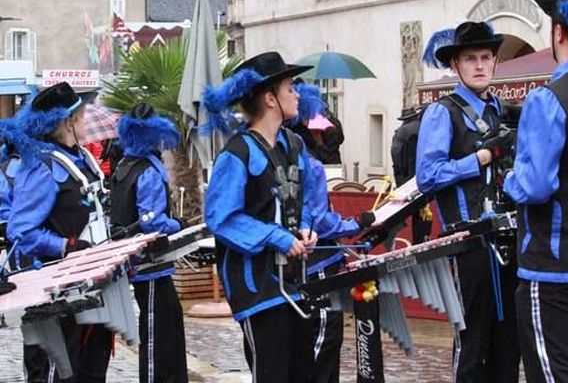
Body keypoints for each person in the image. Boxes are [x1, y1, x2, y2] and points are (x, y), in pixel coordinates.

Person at [503, 0, 568, 381]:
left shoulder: (549, 98)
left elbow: (535, 185)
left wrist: (509, 178)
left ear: (558, 31)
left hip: (552, 268)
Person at [203, 51, 317, 383]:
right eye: (290, 87)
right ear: (270, 98)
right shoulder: (237, 153)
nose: (298, 94)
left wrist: (306, 227)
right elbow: (220, 218)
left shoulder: (294, 144)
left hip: (296, 281)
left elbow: (305, 196)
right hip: (258, 288)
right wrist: (277, 237)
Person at [416, 22, 520, 382]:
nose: (479, 65)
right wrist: (478, 159)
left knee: (509, 341)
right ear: (456, 66)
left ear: (494, 62)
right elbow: (427, 176)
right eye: (470, 58)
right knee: (472, 340)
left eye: (486, 58)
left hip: (506, 238)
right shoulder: (441, 112)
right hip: (468, 244)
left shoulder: (501, 111)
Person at [6, 82, 112, 382]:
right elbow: (21, 231)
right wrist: (65, 245)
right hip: (57, 292)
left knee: (90, 371)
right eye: (81, 115)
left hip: (90, 285)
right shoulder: (41, 167)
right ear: (68, 121)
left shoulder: (82, 159)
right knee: (59, 372)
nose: (85, 120)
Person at [289, 80, 375, 383]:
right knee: (324, 343)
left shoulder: (280, 157)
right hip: (317, 266)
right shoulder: (308, 164)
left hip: (291, 268)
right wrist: (356, 224)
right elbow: (319, 220)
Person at [110, 103, 188, 383]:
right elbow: (151, 220)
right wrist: (178, 224)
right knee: (156, 333)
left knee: (166, 325)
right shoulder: (147, 170)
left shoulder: (124, 164)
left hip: (139, 263)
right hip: (149, 264)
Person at [391, 106, 433, 245]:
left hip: (404, 179)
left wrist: (400, 182)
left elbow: (397, 161)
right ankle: (420, 243)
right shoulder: (421, 130)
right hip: (418, 179)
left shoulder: (400, 132)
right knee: (422, 216)